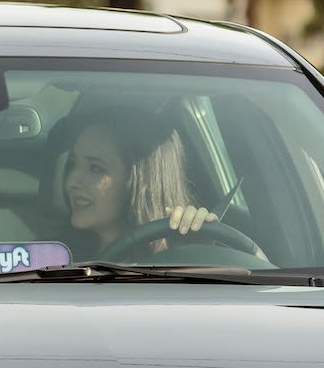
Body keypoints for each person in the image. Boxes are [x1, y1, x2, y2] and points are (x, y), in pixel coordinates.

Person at [60, 105, 217, 256]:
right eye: (73, 163)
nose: (71, 182)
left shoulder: (174, 255)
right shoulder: (54, 255)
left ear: (141, 181)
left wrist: (195, 251)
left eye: (95, 168)